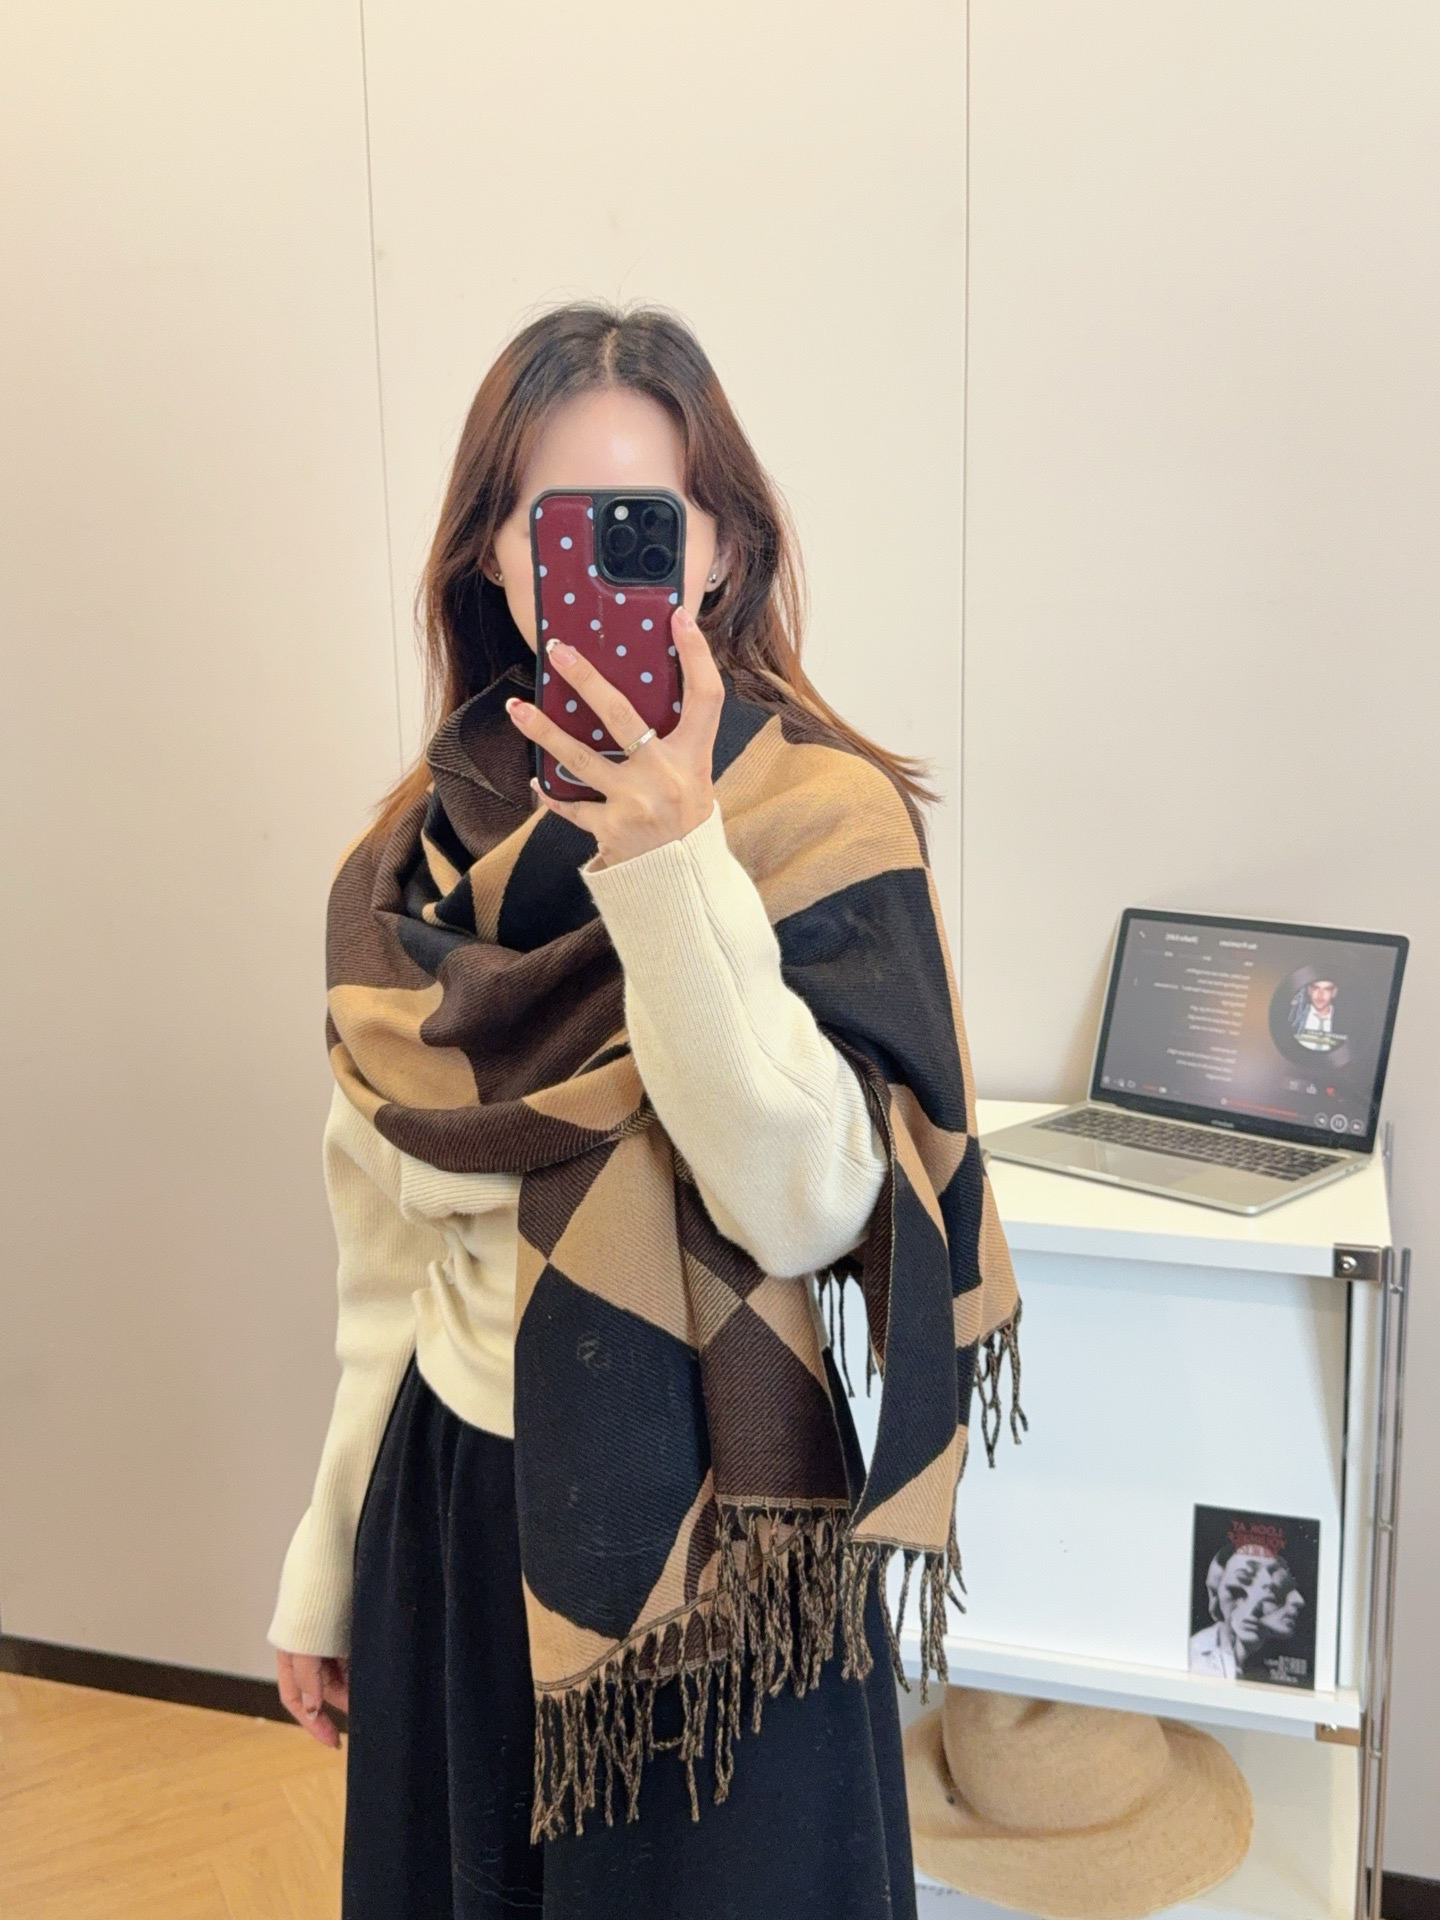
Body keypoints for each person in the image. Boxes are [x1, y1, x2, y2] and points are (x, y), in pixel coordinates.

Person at [267, 302, 1020, 1920]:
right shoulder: (416, 866)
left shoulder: (820, 819)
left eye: (646, 521)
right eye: (556, 525)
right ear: (492, 558)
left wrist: (672, 867)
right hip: (459, 1511)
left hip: (724, 1538)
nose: (600, 567)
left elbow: (806, 1203)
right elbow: (383, 1267)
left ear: (721, 548)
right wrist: (322, 1566)